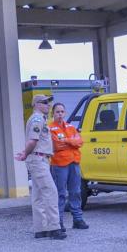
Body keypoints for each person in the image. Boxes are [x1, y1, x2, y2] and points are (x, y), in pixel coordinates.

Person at [15, 94, 65, 240]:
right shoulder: (37, 119)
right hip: (38, 158)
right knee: (51, 191)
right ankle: (54, 227)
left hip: (38, 158)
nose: (48, 105)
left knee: (38, 195)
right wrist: (25, 153)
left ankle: (40, 228)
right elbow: (33, 140)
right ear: (36, 104)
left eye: (48, 102)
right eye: (44, 102)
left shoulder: (39, 119)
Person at [49, 102, 89, 231]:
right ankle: (58, 222)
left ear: (65, 113)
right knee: (60, 193)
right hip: (59, 164)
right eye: (57, 112)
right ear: (53, 113)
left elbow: (80, 141)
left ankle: (77, 219)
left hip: (74, 163)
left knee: (76, 192)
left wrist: (66, 141)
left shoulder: (71, 127)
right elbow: (56, 145)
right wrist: (72, 141)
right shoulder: (50, 128)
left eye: (62, 112)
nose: (60, 114)